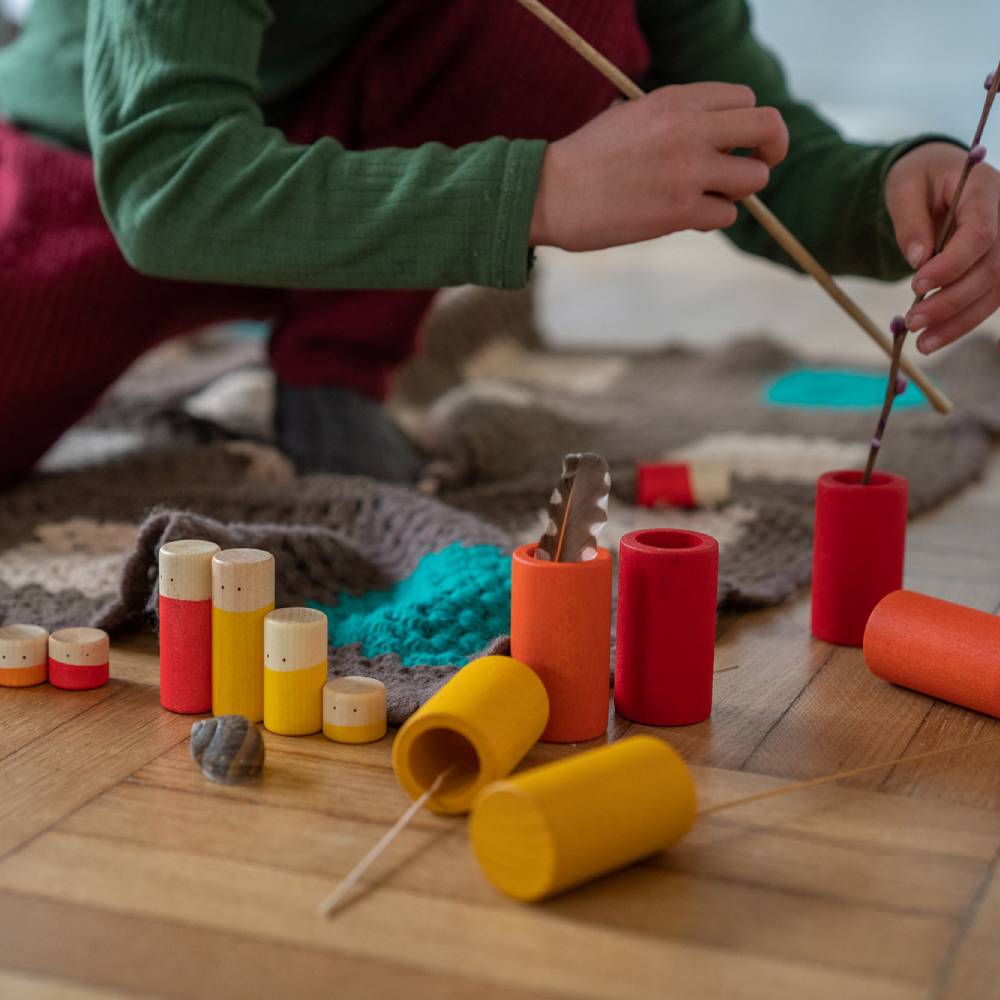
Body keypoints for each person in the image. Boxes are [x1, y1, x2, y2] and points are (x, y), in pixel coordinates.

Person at [0, 0, 997, 484]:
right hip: (82, 175)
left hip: (340, 152)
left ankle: (334, 372)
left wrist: (895, 184)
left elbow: (742, 131)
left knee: (574, 15)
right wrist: (544, 189)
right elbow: (170, 181)